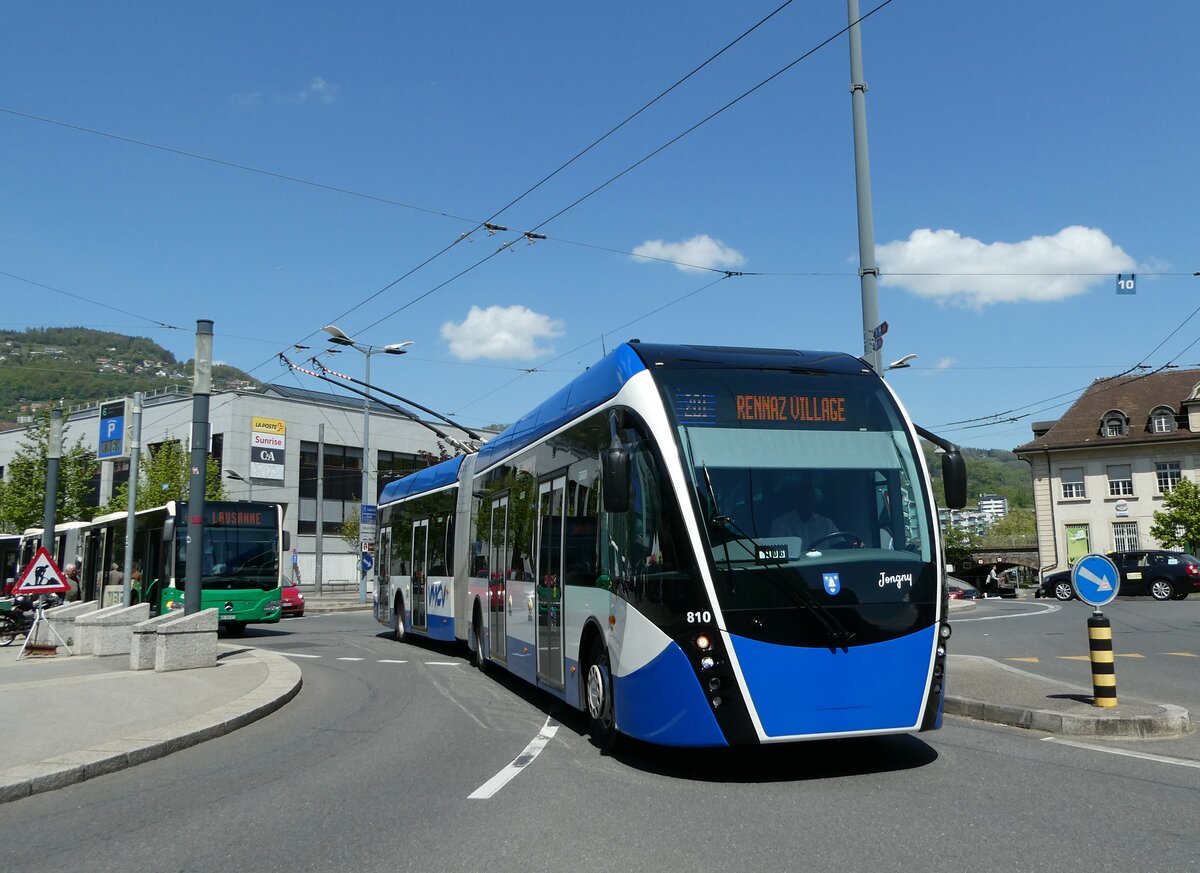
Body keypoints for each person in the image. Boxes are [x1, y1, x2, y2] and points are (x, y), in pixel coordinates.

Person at [768, 478, 838, 547]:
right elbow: (775, 552)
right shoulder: (780, 524)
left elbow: (840, 545)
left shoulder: (826, 523)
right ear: (796, 500)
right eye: (803, 499)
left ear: (815, 502)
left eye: (810, 500)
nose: (807, 504)